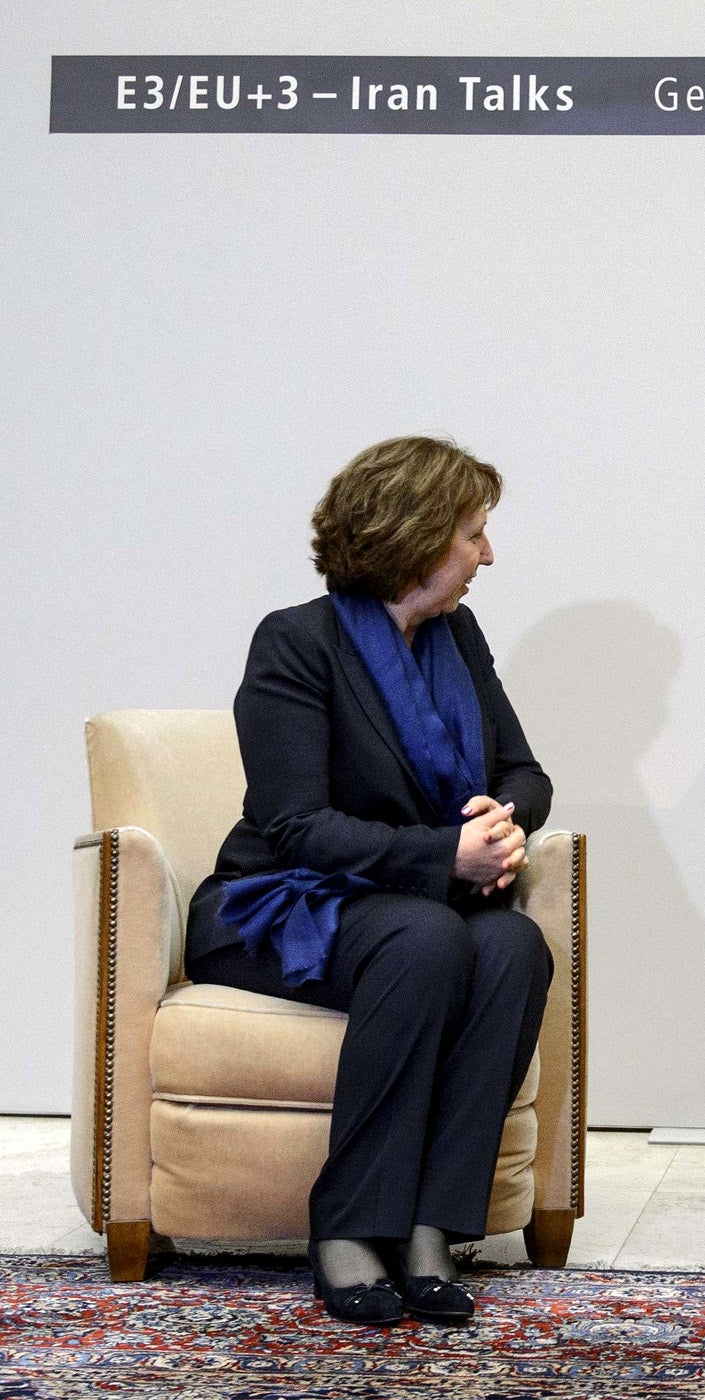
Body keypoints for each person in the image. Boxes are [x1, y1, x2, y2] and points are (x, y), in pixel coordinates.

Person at [183, 436, 553, 1327]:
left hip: (408, 899)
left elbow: (525, 771)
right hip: (276, 903)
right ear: (419, 537)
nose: (487, 555)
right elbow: (295, 825)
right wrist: (445, 857)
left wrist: (500, 822)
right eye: (473, 534)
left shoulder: (458, 636)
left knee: (512, 945)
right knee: (425, 939)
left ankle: (432, 1224)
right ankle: (350, 1223)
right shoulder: (296, 643)